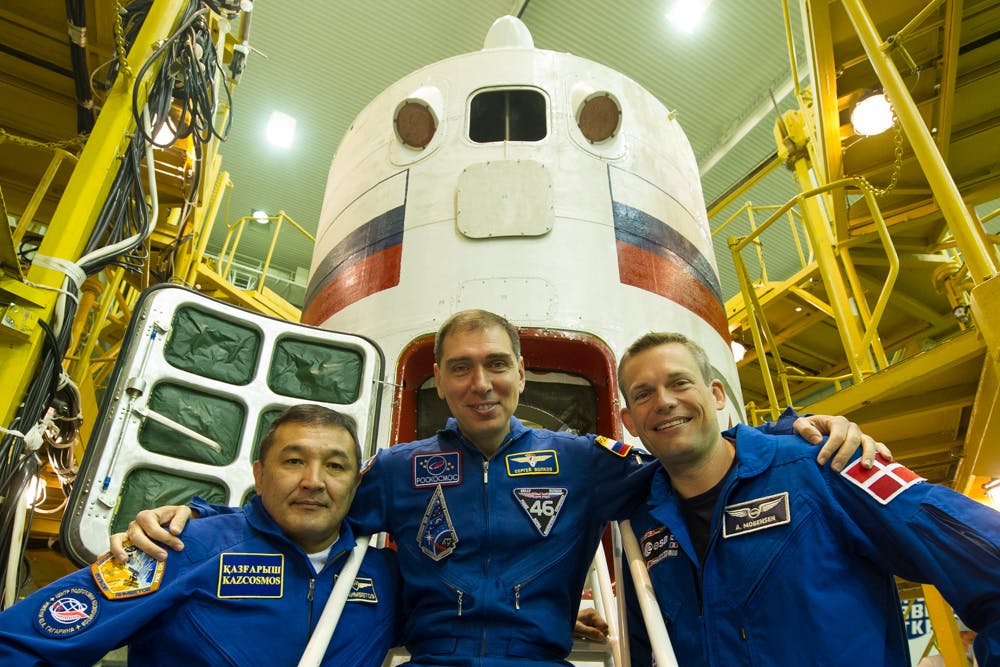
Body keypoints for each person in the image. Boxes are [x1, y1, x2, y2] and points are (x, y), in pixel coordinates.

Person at [115, 310, 884, 666]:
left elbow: (685, 453)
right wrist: (197, 515)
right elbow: (303, 509)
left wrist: (792, 433)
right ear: (442, 384)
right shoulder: (398, 468)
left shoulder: (585, 458)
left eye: (497, 364)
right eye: (460, 367)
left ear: (522, 374)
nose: (480, 381)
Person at [616, 332, 1000, 666]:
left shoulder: (826, 466)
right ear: (629, 421)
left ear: (716, 394)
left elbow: (988, 556)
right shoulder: (643, 525)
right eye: (644, 394)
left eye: (680, 383)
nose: (664, 401)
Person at [0, 404, 400, 666]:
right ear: (259, 476)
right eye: (294, 461)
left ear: (354, 484)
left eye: (335, 466)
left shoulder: (385, 576)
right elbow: (19, 644)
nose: (313, 481)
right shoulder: (176, 547)